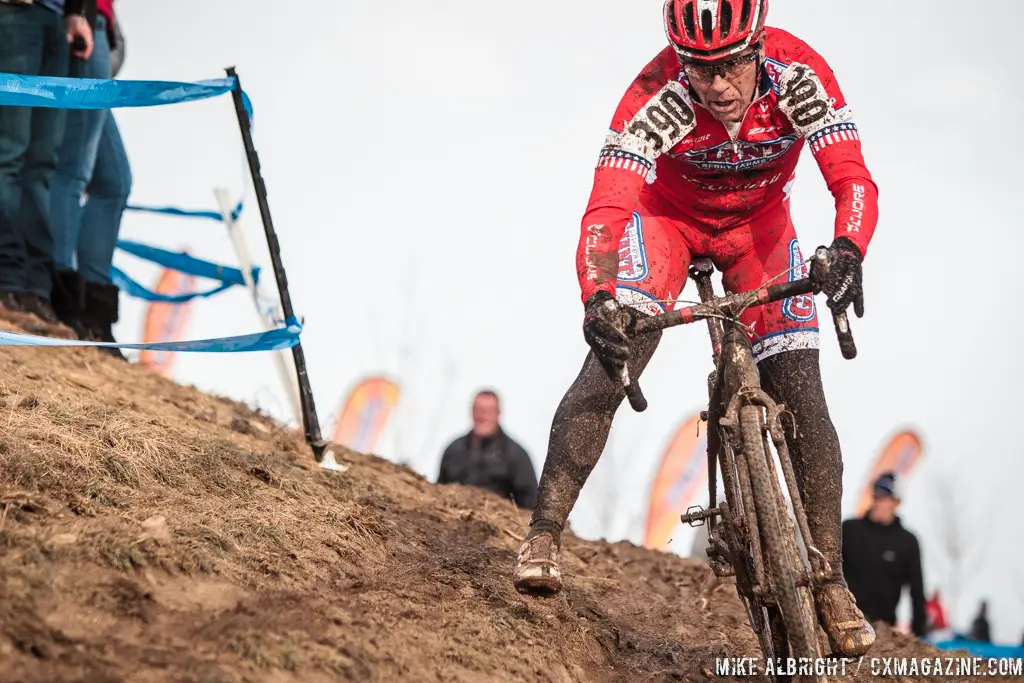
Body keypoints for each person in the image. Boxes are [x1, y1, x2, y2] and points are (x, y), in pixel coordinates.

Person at [512, 0, 879, 658]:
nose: (718, 85)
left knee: (804, 387)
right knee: (615, 357)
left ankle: (831, 582)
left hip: (760, 228)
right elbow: (607, 206)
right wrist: (596, 298)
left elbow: (850, 176)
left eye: (733, 63)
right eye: (699, 68)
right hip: (669, 223)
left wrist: (848, 249)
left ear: (760, 44)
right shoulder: (655, 95)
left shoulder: (800, 76)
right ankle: (543, 532)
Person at [0, 0, 96, 337]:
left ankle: (35, 292)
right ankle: (7, 285)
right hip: (14, 12)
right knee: (8, 154)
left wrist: (74, 12)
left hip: (57, 17)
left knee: (41, 165)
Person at [49, 0, 131, 359]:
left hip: (96, 27)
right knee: (72, 170)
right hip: (80, 23)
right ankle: (60, 299)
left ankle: (93, 311)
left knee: (114, 182)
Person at [841, 472, 927, 638]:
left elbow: (917, 590)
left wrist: (919, 636)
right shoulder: (850, 530)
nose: (878, 502)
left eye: (884, 497)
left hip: (882, 630)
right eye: (876, 496)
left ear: (896, 502)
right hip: (845, 622)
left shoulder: (907, 542)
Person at [438, 390, 538, 509]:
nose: (482, 416)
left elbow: (530, 502)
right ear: (471, 412)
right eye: (478, 410)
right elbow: (439, 492)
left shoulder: (516, 455)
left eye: (488, 411)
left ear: (498, 414)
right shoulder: (453, 451)